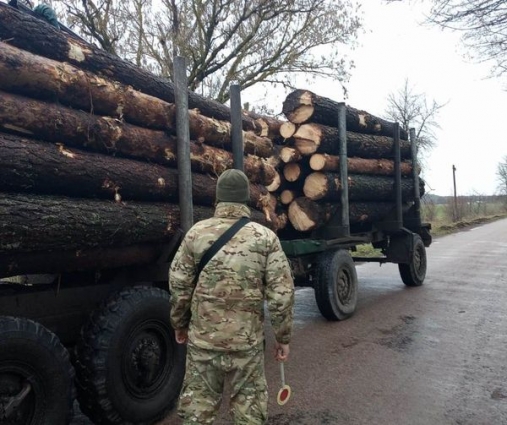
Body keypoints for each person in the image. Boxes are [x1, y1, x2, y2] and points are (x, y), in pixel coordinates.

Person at [169, 168, 295, 425]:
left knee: (197, 414)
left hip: (203, 343)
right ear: (245, 200)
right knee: (249, 415)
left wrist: (179, 324)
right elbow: (281, 294)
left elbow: (179, 283)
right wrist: (283, 337)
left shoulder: (196, 233)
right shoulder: (265, 238)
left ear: (218, 199)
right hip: (246, 347)